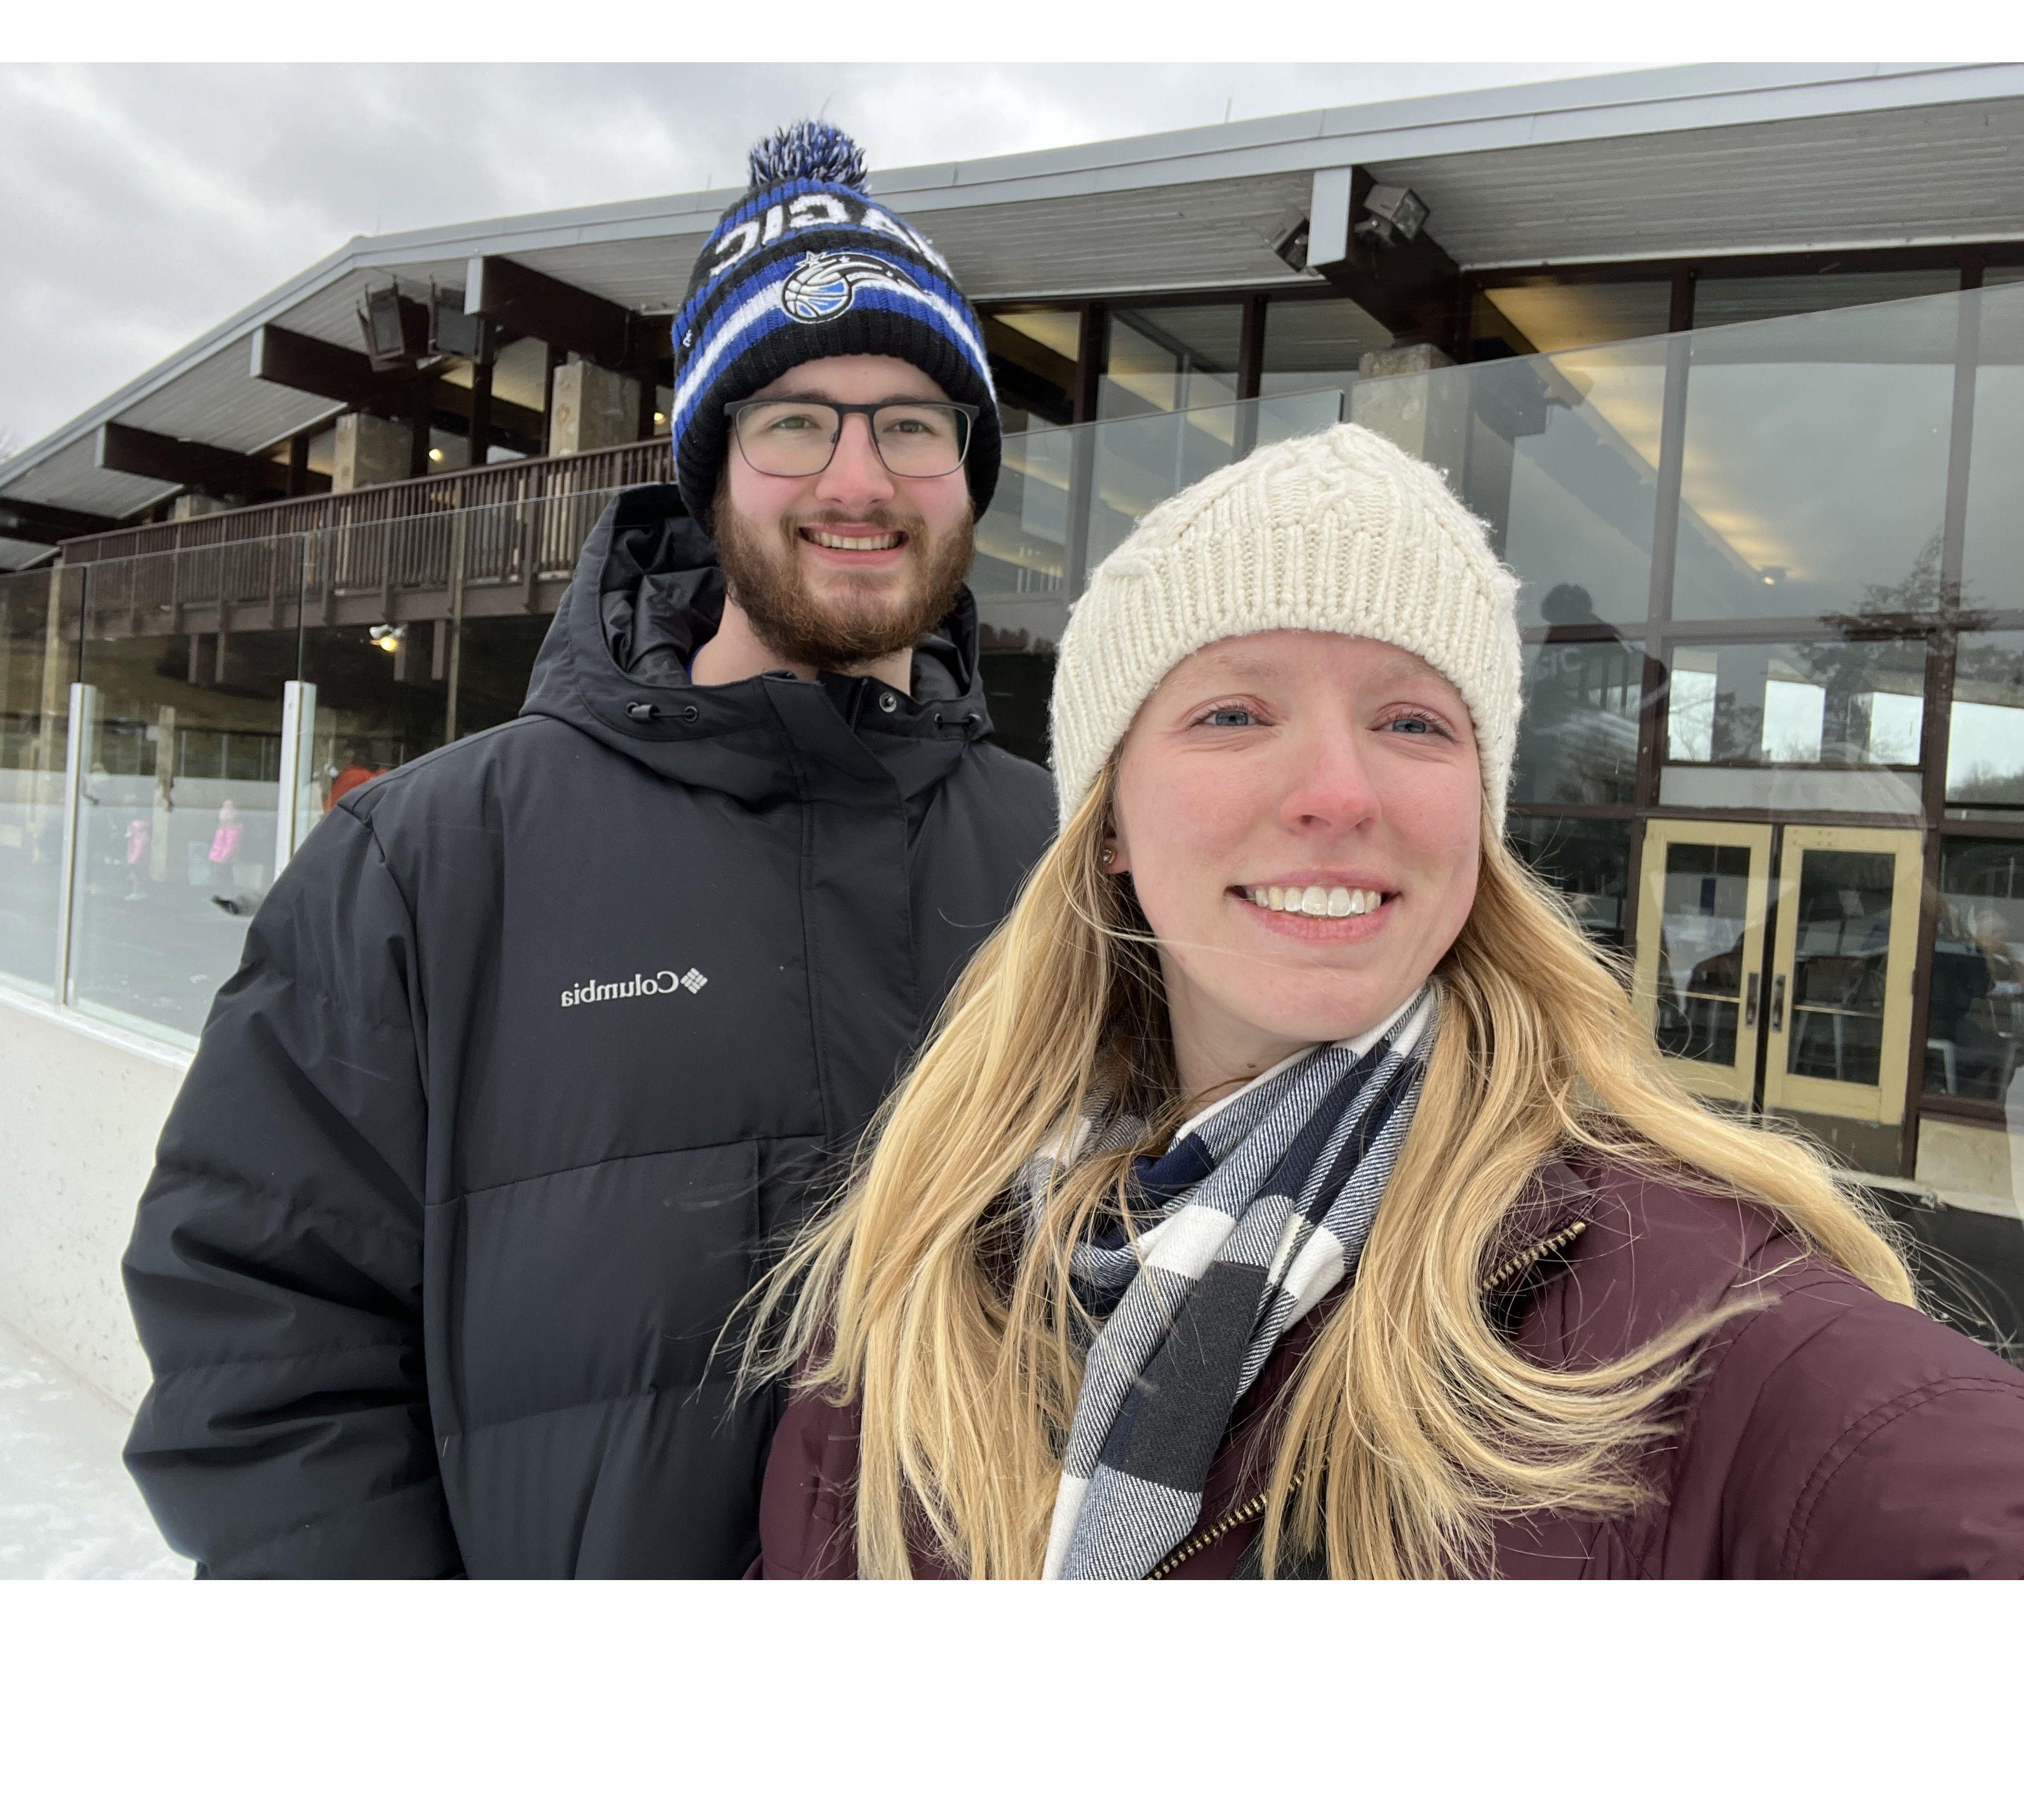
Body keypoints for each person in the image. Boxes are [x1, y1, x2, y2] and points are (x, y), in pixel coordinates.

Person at [751, 421, 2024, 1580]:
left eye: (1414, 723)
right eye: (1237, 711)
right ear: (1112, 822)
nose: (1339, 793)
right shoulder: (928, 1277)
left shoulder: (1693, 1312)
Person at [121, 121, 1055, 1577]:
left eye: (916, 423)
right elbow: (259, 1336)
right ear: (708, 467)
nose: (860, 479)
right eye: (797, 421)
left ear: (969, 471)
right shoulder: (424, 862)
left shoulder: (1073, 856)